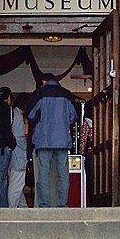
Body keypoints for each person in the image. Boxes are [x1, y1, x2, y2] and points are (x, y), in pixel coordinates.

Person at [27, 73, 77, 208]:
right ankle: (62, 205)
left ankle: (44, 206)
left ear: (44, 81)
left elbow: (31, 115)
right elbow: (73, 116)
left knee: (43, 174)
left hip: (43, 140)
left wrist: (40, 121)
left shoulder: (39, 94)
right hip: (62, 139)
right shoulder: (67, 94)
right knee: (63, 174)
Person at [7, 92, 30, 207]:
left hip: (12, 154)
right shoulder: (18, 116)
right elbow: (18, 137)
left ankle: (23, 208)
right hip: (19, 154)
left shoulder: (12, 113)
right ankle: (12, 210)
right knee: (16, 184)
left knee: (16, 183)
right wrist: (27, 145)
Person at [78, 100, 94, 205]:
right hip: (103, 154)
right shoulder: (106, 117)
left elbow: (83, 139)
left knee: (90, 180)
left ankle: (92, 201)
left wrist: (81, 152)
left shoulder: (87, 123)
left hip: (90, 154)